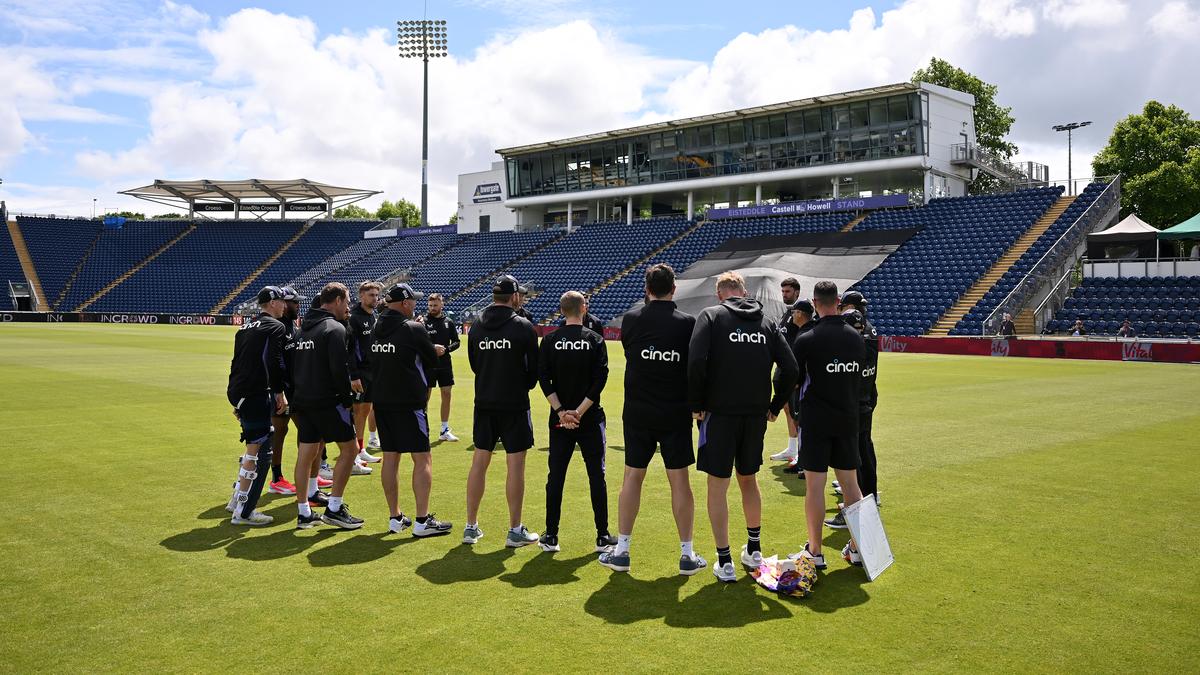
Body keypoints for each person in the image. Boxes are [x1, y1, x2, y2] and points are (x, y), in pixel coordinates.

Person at [688, 271, 798, 582]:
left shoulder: (711, 316)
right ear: (743, 291)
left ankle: (724, 561)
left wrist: (695, 404)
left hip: (719, 415)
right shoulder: (766, 322)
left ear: (719, 293)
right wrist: (775, 406)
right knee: (748, 479)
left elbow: (695, 360)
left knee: (717, 485)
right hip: (754, 415)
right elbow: (790, 368)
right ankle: (754, 548)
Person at [598, 263, 707, 576]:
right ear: (674, 289)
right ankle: (687, 554)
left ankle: (622, 551)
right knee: (680, 480)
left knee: (633, 477)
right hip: (674, 411)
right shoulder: (688, 323)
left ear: (646, 290)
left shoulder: (632, 319)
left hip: (639, 411)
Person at [788, 281, 867, 569]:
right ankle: (858, 549)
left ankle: (815, 551)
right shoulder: (855, 338)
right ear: (837, 301)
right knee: (850, 485)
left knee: (815, 487)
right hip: (847, 418)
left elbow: (794, 380)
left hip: (817, 420)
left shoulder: (807, 338)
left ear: (814, 302)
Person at [463, 275, 541, 547]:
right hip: (514, 404)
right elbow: (534, 370)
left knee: (479, 464)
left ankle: (470, 526)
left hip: (484, 401)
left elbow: (475, 364)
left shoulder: (476, 327)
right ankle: (514, 529)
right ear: (515, 297)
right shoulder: (524, 327)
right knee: (515, 466)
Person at [370, 283, 453, 537]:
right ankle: (421, 521)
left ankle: (395, 518)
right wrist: (436, 349)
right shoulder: (413, 328)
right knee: (422, 457)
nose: (415, 304)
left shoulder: (375, 327)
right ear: (405, 303)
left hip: (382, 402)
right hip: (409, 403)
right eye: (413, 301)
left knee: (391, 457)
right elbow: (430, 359)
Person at [537, 291, 615, 553]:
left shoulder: (549, 341)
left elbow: (544, 379)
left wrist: (561, 411)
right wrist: (579, 412)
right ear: (583, 308)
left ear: (561, 310)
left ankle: (551, 536)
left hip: (560, 421)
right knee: (596, 476)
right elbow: (600, 380)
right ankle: (602, 536)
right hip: (590, 419)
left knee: (556, 476)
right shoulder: (594, 339)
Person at [290, 282, 365, 530]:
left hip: (303, 400)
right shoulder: (334, 329)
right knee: (350, 450)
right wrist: (347, 401)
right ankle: (334, 508)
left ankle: (303, 513)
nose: (349, 307)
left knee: (306, 454)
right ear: (336, 300)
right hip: (328, 401)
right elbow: (338, 370)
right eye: (347, 301)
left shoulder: (302, 330)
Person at [224, 286, 290, 525]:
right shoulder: (276, 327)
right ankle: (244, 511)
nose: (284, 305)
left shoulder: (244, 328)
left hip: (239, 391)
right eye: (281, 301)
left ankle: (236, 499)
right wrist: (280, 391)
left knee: (252, 445)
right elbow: (273, 361)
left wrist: (236, 398)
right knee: (261, 449)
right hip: (256, 393)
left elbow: (235, 362)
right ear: (272, 303)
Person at [825, 309, 880, 528]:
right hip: (865, 405)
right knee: (865, 455)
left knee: (851, 462)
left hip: (851, 410)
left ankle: (854, 511)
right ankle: (870, 500)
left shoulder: (849, 350)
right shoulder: (869, 343)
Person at [267, 285, 303, 496]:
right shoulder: (275, 327)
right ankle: (276, 478)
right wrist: (277, 391)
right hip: (280, 390)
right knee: (279, 432)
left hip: (295, 389)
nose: (298, 305)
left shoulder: (291, 325)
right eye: (295, 302)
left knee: (306, 431)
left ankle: (308, 475)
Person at [348, 281, 383, 467]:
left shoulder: (373, 316)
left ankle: (360, 449)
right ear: (361, 296)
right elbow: (350, 350)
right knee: (356, 411)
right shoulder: (354, 317)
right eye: (371, 295)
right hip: (359, 372)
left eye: (376, 295)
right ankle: (352, 451)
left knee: (366, 410)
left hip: (372, 371)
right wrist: (354, 375)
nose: (375, 298)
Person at [781, 299, 817, 476]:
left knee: (804, 425)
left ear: (801, 314)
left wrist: (793, 384)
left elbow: (798, 367)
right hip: (811, 387)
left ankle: (804, 464)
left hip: (805, 388)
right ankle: (803, 462)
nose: (792, 314)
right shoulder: (811, 330)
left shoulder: (805, 334)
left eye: (794, 312)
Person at [771, 278, 803, 463]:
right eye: (783, 292)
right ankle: (792, 448)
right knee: (786, 407)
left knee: (796, 410)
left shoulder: (801, 314)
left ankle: (800, 452)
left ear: (797, 292)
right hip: (781, 368)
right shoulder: (787, 313)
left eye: (788, 292)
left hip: (793, 369)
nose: (784, 295)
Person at [421, 293, 461, 442]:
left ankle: (444, 429)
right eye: (430, 305)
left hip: (445, 364)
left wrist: (446, 349)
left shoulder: (448, 322)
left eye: (435, 305)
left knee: (447, 394)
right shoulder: (422, 321)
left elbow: (456, 342)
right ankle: (422, 428)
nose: (432, 308)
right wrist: (432, 349)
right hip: (428, 364)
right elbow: (418, 342)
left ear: (441, 305)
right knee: (425, 396)